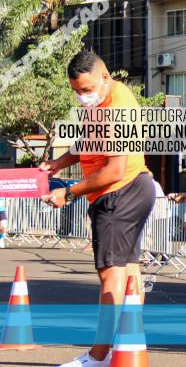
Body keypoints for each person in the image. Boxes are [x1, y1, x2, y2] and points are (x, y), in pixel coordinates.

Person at [40, 50, 156, 367]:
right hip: (129, 191)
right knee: (129, 274)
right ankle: (126, 345)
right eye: (76, 91)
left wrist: (70, 192)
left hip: (120, 192)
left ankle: (99, 355)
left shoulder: (117, 106)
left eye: (87, 89)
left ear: (105, 76)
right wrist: (58, 164)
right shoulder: (103, 102)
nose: (82, 97)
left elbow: (114, 170)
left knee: (111, 277)